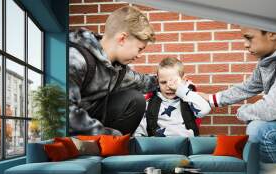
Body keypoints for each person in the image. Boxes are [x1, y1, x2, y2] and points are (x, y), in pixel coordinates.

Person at [198, 27, 276, 163]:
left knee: (259, 130)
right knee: (257, 127)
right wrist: (212, 99)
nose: (245, 44)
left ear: (272, 33)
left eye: (249, 38)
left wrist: (242, 112)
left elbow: (275, 108)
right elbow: (249, 86)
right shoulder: (267, 59)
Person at [69, 6, 158, 136]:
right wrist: (110, 136)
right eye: (140, 49)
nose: (139, 55)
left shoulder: (118, 69)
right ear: (122, 39)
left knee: (135, 100)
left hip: (94, 120)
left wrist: (172, 82)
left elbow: (144, 82)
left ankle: (112, 150)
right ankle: (104, 147)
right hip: (71, 127)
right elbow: (63, 111)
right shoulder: (76, 58)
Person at [134, 57, 211, 137]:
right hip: (158, 145)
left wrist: (182, 90)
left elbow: (205, 110)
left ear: (183, 80)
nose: (169, 86)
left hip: (186, 145)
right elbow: (140, 130)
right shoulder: (151, 102)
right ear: (158, 81)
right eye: (163, 82)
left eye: (174, 82)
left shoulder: (190, 98)